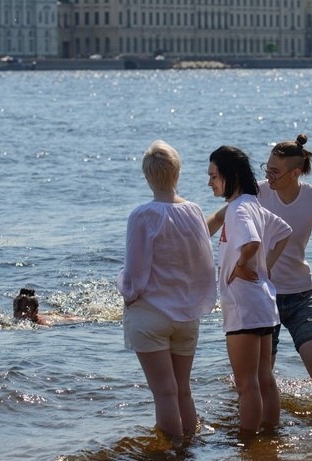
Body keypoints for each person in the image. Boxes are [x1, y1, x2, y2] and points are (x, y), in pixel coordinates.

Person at [220, 133, 312, 402]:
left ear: (295, 173)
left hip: (300, 296)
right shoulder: (255, 194)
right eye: (266, 168)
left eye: (275, 171)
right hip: (261, 296)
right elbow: (221, 217)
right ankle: (258, 432)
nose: (268, 175)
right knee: (260, 376)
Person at [117, 140, 217, 447]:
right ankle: (189, 448)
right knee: (182, 389)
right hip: (187, 315)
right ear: (178, 173)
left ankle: (171, 451)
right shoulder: (195, 211)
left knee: (163, 392)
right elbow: (203, 263)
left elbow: (135, 274)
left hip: (151, 314)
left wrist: (125, 292)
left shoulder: (142, 216)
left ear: (148, 176)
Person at [207, 145, 292, 436]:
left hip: (243, 304)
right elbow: (284, 232)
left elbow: (252, 242)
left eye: (214, 176)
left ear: (230, 176)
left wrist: (245, 263)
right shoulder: (253, 204)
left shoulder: (238, 209)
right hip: (263, 303)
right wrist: (264, 269)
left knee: (246, 385)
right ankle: (270, 435)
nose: (210, 183)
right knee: (264, 379)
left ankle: (248, 443)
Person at [12, 287, 83, 326]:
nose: (20, 314)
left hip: (64, 319)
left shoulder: (43, 323)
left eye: (25, 310)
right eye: (17, 310)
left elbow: (48, 326)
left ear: (35, 312)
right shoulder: (19, 320)